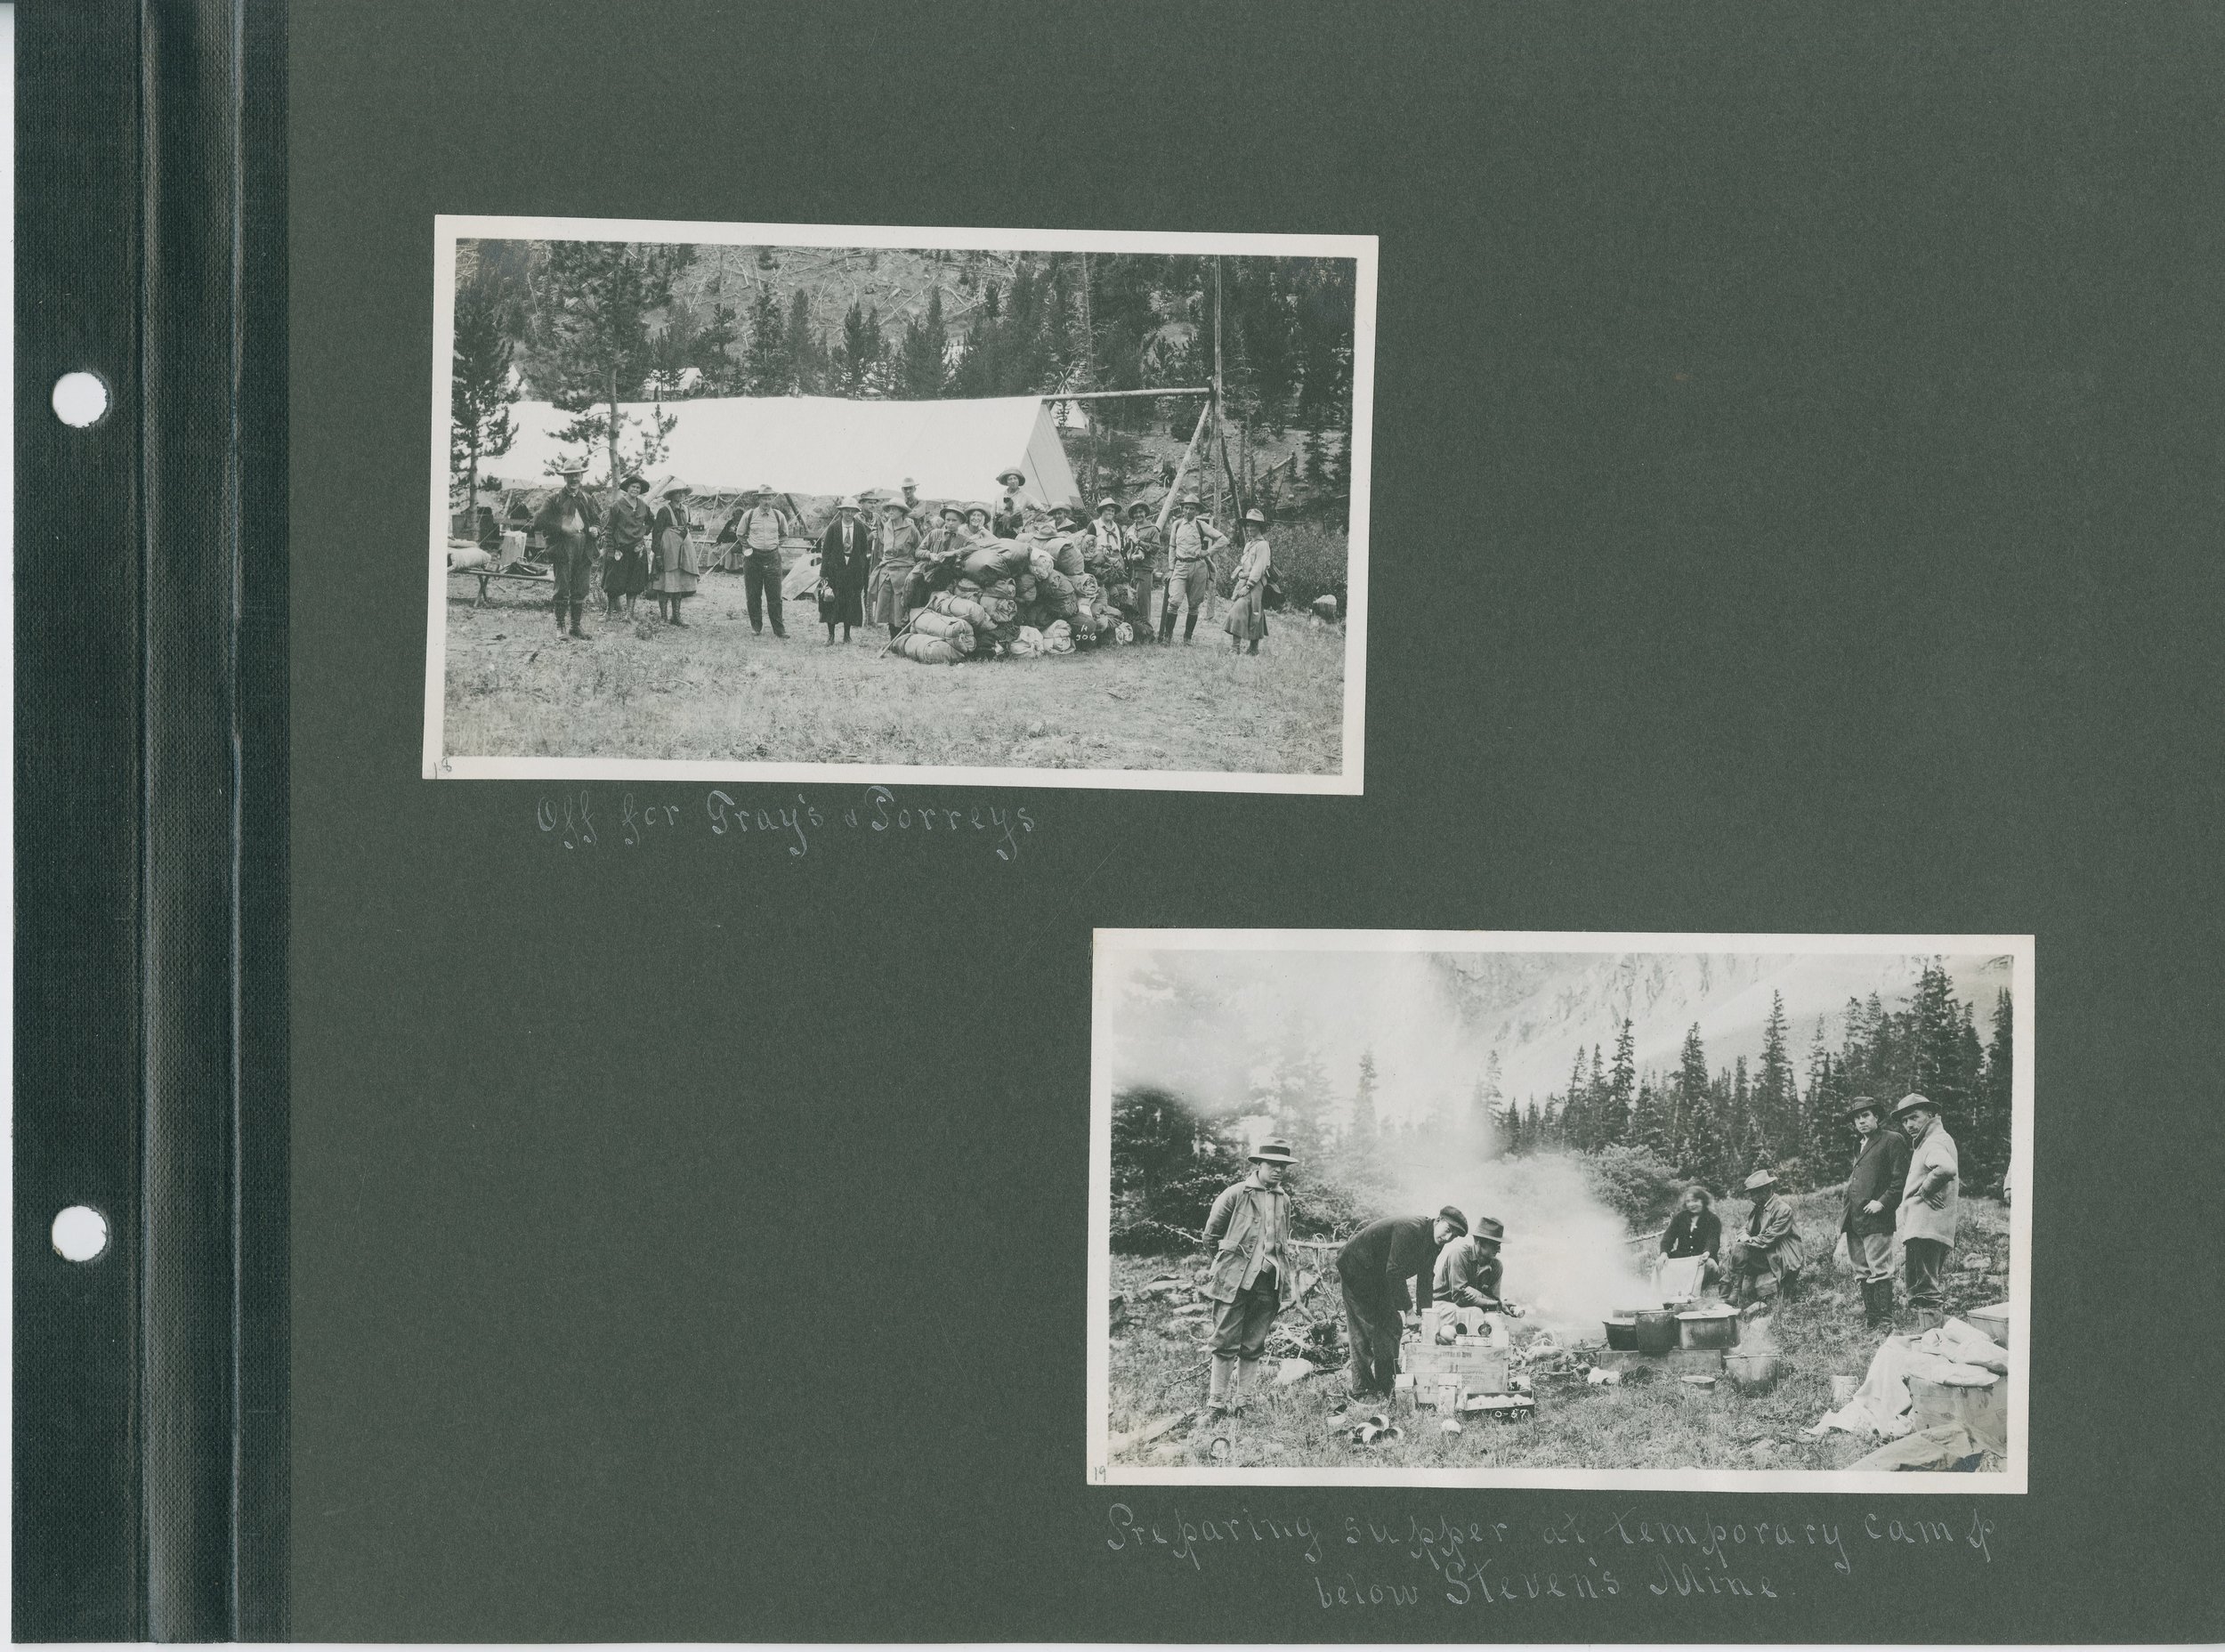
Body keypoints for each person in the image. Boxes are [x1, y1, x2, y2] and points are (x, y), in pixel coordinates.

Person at [1199, 1138, 1300, 1421]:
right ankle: (1216, 1405)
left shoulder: (1284, 1200)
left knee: (1254, 1344)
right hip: (1234, 1279)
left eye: (1283, 1166)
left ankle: (1244, 1403)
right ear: (1258, 1164)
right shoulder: (1235, 1194)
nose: (1278, 1170)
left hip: (1268, 1281)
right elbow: (1211, 1235)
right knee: (1224, 1341)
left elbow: (1282, 1240)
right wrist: (1228, 1266)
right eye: (1272, 1164)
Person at [1336, 1206, 1467, 1400]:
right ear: (1438, 1220)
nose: (1448, 1238)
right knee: (1363, 1328)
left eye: (1453, 1237)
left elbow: (1425, 1277)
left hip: (1379, 1276)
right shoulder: (1410, 1228)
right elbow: (1394, 1271)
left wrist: (1425, 1316)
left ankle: (1386, 1383)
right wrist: (1409, 1311)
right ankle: (1362, 1388)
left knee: (1391, 1325)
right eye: (1448, 1231)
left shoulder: (1435, 1242)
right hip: (1357, 1269)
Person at [1891, 1092, 1960, 1332]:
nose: (1909, 1124)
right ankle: (1933, 1338)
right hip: (1931, 1227)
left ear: (1930, 1115)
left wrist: (1924, 1192)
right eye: (1904, 1120)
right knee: (1924, 1285)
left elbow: (1946, 1168)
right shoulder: (1936, 1138)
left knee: (1923, 1288)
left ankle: (1930, 1342)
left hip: (1925, 1228)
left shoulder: (1933, 1142)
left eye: (1914, 1117)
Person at [1841, 1096, 1911, 1327]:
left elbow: (1900, 1179)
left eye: (1865, 1116)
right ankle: (1872, 1320)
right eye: (1857, 1118)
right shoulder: (1858, 1144)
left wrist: (1883, 1202)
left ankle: (1885, 1322)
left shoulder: (1892, 1140)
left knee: (1879, 1270)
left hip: (1877, 1218)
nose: (1861, 1121)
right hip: (1854, 1218)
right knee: (1861, 1270)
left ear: (1877, 1117)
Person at [530, 460, 602, 639]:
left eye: (577, 475)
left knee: (582, 586)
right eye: (570, 476)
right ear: (565, 478)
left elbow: (597, 520)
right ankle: (560, 627)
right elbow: (538, 521)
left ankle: (575, 627)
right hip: (563, 547)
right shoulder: (554, 499)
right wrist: (561, 527)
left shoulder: (587, 498)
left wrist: (595, 529)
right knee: (562, 586)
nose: (574, 479)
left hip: (584, 545)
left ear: (582, 477)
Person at [1726, 1169, 1807, 1310]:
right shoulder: (1759, 1208)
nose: (1750, 1197)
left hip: (1782, 1257)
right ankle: (1733, 1290)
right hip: (1767, 1254)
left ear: (1765, 1190)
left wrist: (1748, 1241)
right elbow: (1745, 1228)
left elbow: (1770, 1238)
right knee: (1736, 1250)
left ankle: (1735, 1291)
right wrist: (1745, 1237)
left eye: (1753, 1193)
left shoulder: (1783, 1210)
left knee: (1739, 1249)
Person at [1157, 493, 1227, 644]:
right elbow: (1172, 547)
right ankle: (1167, 637)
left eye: (1192, 509)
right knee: (1174, 601)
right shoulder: (1176, 524)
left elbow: (1223, 540)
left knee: (1194, 604)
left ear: (1197, 511)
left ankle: (1187, 638)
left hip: (1198, 567)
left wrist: (1208, 552)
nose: (1188, 511)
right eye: (1186, 508)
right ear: (1182, 509)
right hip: (1180, 566)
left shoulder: (1201, 525)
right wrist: (1171, 568)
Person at [729, 485, 793, 637]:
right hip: (753, 559)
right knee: (753, 594)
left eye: (769, 498)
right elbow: (740, 533)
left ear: (772, 499)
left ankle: (779, 630)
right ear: (758, 499)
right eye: (764, 498)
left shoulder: (778, 516)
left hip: (772, 558)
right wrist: (748, 547)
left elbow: (784, 534)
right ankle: (756, 627)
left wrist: (774, 545)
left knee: (775, 596)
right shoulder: (749, 515)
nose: (767, 501)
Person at [870, 497, 930, 636]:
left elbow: (919, 548)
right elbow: (882, 547)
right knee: (887, 606)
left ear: (902, 512)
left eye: (894, 509)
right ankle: (892, 637)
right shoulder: (887, 526)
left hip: (903, 573)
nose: (891, 511)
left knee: (900, 607)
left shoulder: (910, 528)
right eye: (889, 509)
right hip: (887, 571)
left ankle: (901, 637)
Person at [600, 473, 655, 618]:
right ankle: (609, 613)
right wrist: (611, 550)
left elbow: (651, 521)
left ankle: (628, 614)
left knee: (635, 583)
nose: (635, 489)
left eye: (638, 487)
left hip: (637, 550)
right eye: (633, 486)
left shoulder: (643, 506)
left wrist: (644, 530)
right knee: (613, 583)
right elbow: (609, 529)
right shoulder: (617, 506)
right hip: (620, 550)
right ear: (627, 488)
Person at [817, 497, 870, 644]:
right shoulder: (833, 527)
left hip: (853, 572)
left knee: (850, 604)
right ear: (841, 511)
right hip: (835, 571)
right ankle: (831, 636)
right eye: (846, 510)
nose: (849, 514)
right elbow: (826, 551)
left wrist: (859, 566)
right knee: (831, 603)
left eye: (852, 511)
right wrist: (824, 573)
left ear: (855, 512)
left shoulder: (859, 527)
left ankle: (847, 635)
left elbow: (863, 550)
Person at [649, 482, 700, 626]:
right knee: (665, 581)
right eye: (678, 493)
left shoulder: (686, 509)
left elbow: (687, 525)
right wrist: (658, 553)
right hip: (668, 550)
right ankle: (663, 617)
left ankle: (676, 617)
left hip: (683, 550)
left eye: (683, 493)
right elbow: (657, 532)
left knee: (679, 582)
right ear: (671, 495)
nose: (681, 495)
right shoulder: (664, 511)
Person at [1657, 1184, 1723, 1295]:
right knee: (1661, 1264)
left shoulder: (1713, 1219)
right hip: (1682, 1258)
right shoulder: (1680, 1218)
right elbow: (1668, 1237)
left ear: (1703, 1201)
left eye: (1695, 1201)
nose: (1691, 1204)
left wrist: (1707, 1252)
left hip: (1701, 1258)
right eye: (1688, 1201)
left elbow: (1713, 1239)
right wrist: (1664, 1253)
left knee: (1710, 1264)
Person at [1433, 1215, 1508, 1311]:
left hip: (1471, 1309)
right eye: (1495, 1245)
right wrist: (1494, 1303)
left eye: (1499, 1245)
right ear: (1478, 1242)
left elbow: (1495, 1301)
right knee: (1475, 1312)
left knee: (1494, 1319)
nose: (1499, 1250)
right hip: (1442, 1306)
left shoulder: (1497, 1266)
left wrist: (1478, 1294)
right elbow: (1460, 1299)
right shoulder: (1459, 1255)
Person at [1225, 507, 1272, 654]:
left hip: (1256, 585)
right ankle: (1253, 649)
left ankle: (1235, 648)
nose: (1250, 528)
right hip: (1246, 582)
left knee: (1243, 609)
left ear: (1260, 527)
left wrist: (1248, 586)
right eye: (1248, 525)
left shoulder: (1263, 545)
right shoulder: (1249, 545)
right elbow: (1245, 564)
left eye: (1253, 525)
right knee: (1253, 612)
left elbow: (1259, 568)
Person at [992, 468, 1028, 539]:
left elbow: (1041, 510)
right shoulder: (999, 496)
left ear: (1018, 480)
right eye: (1010, 479)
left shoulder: (1025, 496)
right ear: (1006, 482)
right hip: (1000, 532)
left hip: (1016, 533)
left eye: (1015, 478)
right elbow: (992, 517)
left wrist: (1026, 521)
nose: (1013, 481)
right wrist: (992, 534)